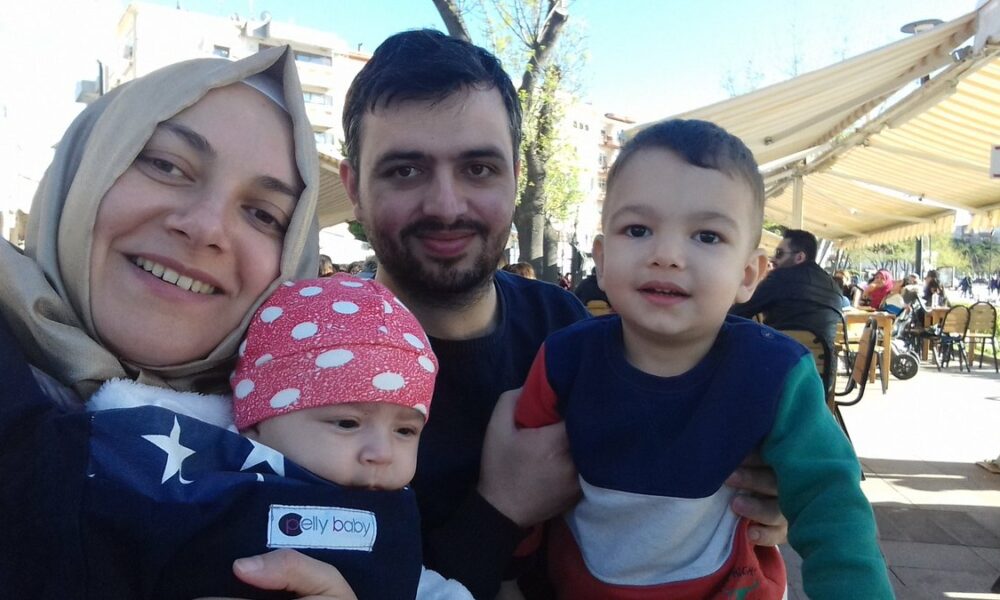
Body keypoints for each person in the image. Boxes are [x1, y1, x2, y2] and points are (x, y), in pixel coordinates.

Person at [338, 29, 790, 598]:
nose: (447, 206)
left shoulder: (566, 326)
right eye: (405, 170)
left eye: (479, 168)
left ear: (515, 176)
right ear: (353, 187)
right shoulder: (314, 354)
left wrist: (752, 495)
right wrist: (500, 508)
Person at [0, 46, 369, 598]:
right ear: (86, 167)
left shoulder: (308, 453)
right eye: (167, 166)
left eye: (263, 214)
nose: (205, 228)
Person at [515, 119, 892, 598]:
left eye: (707, 236)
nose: (667, 254)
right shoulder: (562, 360)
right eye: (638, 229)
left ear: (749, 274)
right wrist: (511, 578)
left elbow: (832, 501)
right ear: (602, 260)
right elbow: (522, 499)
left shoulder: (776, 374)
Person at [2, 274, 470, 598]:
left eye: (406, 430)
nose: (381, 453)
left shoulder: (386, 510)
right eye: (347, 423)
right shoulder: (187, 474)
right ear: (256, 421)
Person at [731, 229, 844, 350]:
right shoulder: (836, 289)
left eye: (779, 253)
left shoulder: (781, 278)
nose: (773, 259)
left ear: (799, 257)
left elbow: (737, 312)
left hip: (776, 356)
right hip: (822, 361)